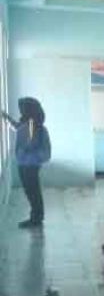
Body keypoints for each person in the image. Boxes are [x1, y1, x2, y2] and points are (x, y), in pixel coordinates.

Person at [3, 98, 51, 229]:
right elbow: (18, 128)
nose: (21, 110)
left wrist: (25, 152)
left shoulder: (32, 125)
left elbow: (33, 145)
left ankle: (36, 218)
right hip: (26, 164)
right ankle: (36, 217)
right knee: (32, 191)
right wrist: (6, 117)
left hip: (29, 164)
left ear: (29, 110)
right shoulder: (29, 124)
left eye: (23, 108)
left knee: (32, 191)